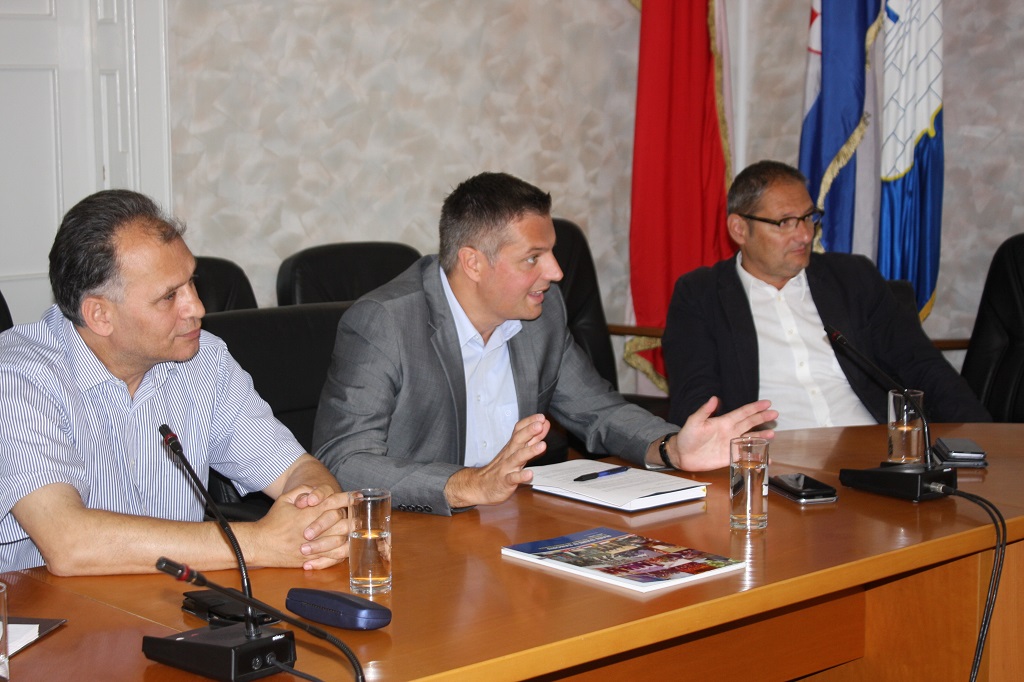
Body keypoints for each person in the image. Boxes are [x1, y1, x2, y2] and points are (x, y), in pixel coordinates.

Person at [312, 172, 777, 515]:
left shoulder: (541, 313)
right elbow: (345, 460)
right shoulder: (386, 323)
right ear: (473, 263)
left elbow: (598, 411)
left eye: (551, 252)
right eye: (533, 258)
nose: (555, 272)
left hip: (514, 522)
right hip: (418, 532)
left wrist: (671, 447)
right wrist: (467, 485)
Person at [0, 190, 350, 574]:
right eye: (169, 296)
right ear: (100, 315)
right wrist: (259, 543)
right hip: (46, 605)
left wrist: (317, 513)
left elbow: (296, 469)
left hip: (174, 599)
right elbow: (69, 543)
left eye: (191, 281)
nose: (197, 307)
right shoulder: (18, 378)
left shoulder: (204, 359)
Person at [662, 160, 990, 430]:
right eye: (785, 222)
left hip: (875, 453)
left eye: (809, 218)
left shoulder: (853, 277)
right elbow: (697, 400)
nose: (805, 235)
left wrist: (983, 436)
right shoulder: (701, 295)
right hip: (776, 464)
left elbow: (922, 365)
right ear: (739, 229)